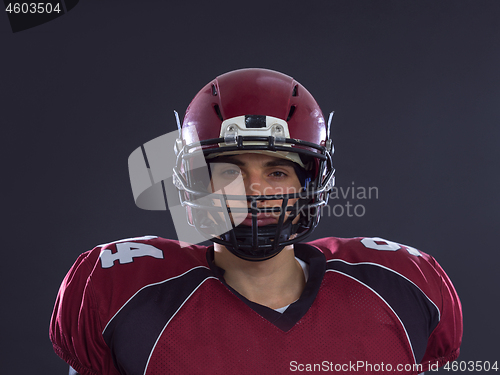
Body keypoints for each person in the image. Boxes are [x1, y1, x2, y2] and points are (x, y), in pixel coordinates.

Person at [50, 68, 462, 375]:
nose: (253, 190)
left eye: (277, 172)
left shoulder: (398, 287)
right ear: (195, 182)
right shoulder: (126, 294)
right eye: (228, 171)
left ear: (310, 184)